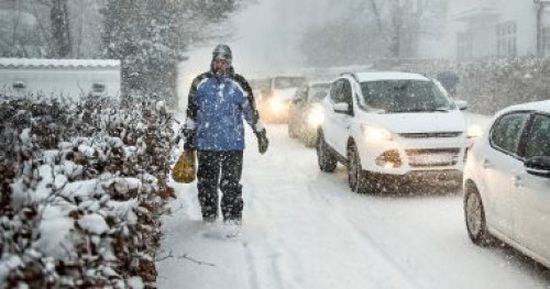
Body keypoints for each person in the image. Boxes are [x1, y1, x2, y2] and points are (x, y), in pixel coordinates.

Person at [181, 44, 269, 225]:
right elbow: (192, 113)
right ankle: (209, 220)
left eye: (224, 61)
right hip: (206, 145)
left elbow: (250, 113)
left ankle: (232, 221)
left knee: (231, 186)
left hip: (232, 145)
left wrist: (260, 133)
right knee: (206, 186)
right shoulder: (200, 83)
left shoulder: (239, 83)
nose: (220, 65)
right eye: (217, 61)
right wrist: (189, 136)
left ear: (229, 63)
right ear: (212, 61)